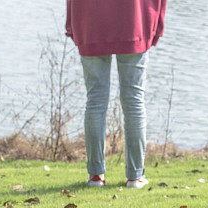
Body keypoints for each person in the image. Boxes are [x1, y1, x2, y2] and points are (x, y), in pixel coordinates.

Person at [66, 0, 167, 189]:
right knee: (134, 101)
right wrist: (158, 25)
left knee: (95, 100)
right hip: (134, 24)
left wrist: (71, 24)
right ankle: (135, 177)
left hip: (91, 24)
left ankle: (95, 176)